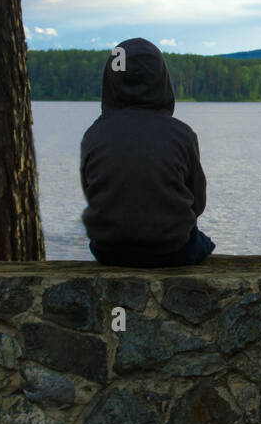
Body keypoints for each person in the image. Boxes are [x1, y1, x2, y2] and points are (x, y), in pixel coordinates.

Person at [80, 37, 216, 267]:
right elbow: (197, 203)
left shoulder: (94, 134)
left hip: (109, 251)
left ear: (110, 80)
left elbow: (93, 193)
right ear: (162, 80)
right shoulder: (182, 134)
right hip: (171, 249)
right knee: (203, 243)